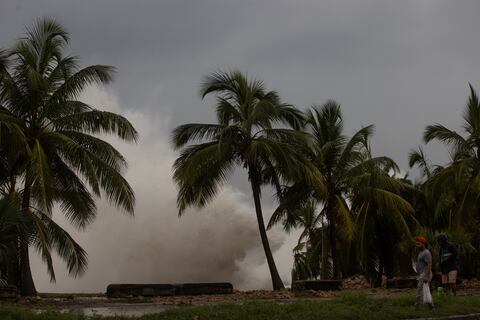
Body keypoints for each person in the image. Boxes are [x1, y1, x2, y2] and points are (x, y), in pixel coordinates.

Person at [415, 235, 434, 310]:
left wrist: (426, 276)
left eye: (418, 243)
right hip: (422, 274)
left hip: (425, 273)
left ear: (423, 244)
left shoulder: (426, 252)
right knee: (425, 291)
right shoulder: (421, 252)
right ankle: (431, 307)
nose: (417, 245)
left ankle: (416, 308)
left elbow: (429, 264)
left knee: (419, 291)